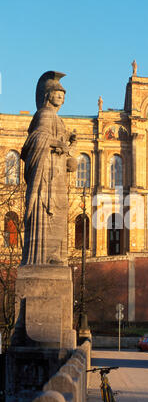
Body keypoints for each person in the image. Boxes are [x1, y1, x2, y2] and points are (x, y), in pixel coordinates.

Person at [20, 71, 77, 266]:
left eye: (63, 93)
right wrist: (59, 145)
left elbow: (68, 157)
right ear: (47, 95)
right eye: (57, 92)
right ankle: (42, 257)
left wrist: (70, 152)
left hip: (57, 174)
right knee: (47, 213)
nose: (61, 95)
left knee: (60, 216)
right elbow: (36, 139)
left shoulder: (59, 120)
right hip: (46, 175)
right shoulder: (44, 114)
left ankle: (54, 255)